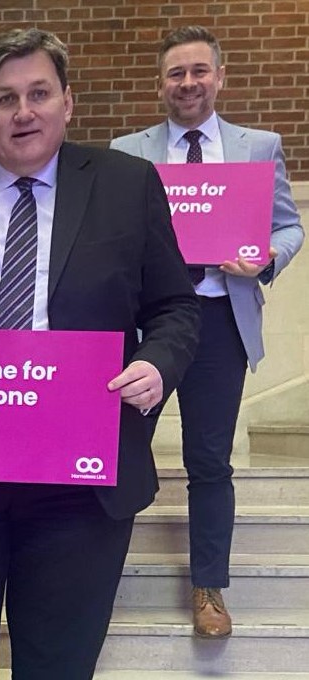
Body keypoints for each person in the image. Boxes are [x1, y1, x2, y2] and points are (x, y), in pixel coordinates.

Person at [0, 28, 200, 679]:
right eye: (5, 98)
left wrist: (157, 365)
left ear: (67, 103)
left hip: (76, 490)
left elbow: (176, 309)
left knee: (58, 666)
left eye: (39, 93)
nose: (23, 112)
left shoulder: (128, 187)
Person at [110, 25, 304, 639]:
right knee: (117, 447)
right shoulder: (129, 150)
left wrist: (265, 259)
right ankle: (94, 567)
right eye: (176, 73)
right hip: (149, 325)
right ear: (160, 83)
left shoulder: (258, 145)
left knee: (208, 461)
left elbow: (288, 227)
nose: (188, 83)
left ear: (219, 77)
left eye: (199, 71)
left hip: (221, 319)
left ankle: (209, 587)